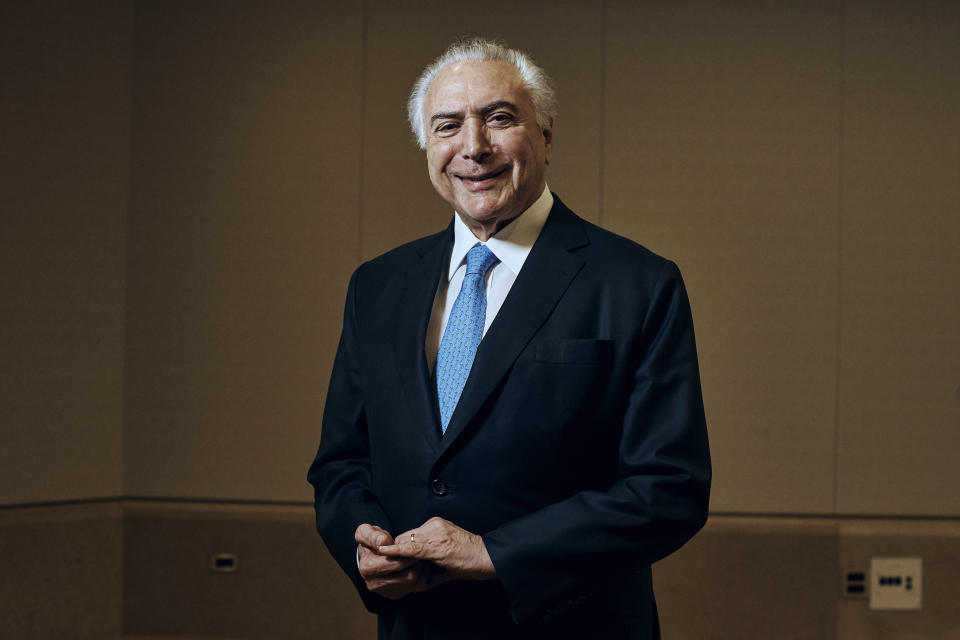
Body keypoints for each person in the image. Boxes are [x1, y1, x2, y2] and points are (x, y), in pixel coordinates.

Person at [307, 37, 711, 640]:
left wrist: (494, 553)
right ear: (427, 148)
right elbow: (342, 461)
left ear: (545, 137)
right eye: (448, 126)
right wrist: (361, 538)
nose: (473, 147)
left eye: (499, 118)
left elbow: (670, 490)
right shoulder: (377, 285)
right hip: (416, 625)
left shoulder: (638, 284)